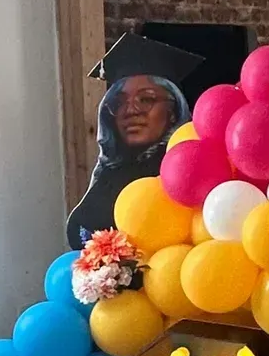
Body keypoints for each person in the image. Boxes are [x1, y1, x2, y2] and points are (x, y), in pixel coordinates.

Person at [67, 71, 190, 245]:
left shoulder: (183, 172)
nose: (130, 111)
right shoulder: (111, 173)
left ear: (173, 111)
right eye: (118, 103)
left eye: (147, 99)